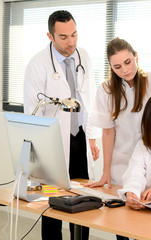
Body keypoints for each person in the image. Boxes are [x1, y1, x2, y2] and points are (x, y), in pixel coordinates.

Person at [23, 10, 99, 240]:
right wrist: (41, 153)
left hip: (81, 137)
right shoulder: (37, 65)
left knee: (84, 201)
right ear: (50, 36)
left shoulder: (83, 56)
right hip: (53, 145)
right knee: (52, 202)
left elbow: (91, 97)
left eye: (74, 34)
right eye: (64, 37)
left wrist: (93, 136)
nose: (71, 42)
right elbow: (32, 111)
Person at [85, 38, 151, 188]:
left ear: (136, 56)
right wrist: (106, 171)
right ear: (111, 67)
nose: (125, 70)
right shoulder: (105, 90)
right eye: (117, 67)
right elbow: (108, 131)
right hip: (121, 168)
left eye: (128, 62)